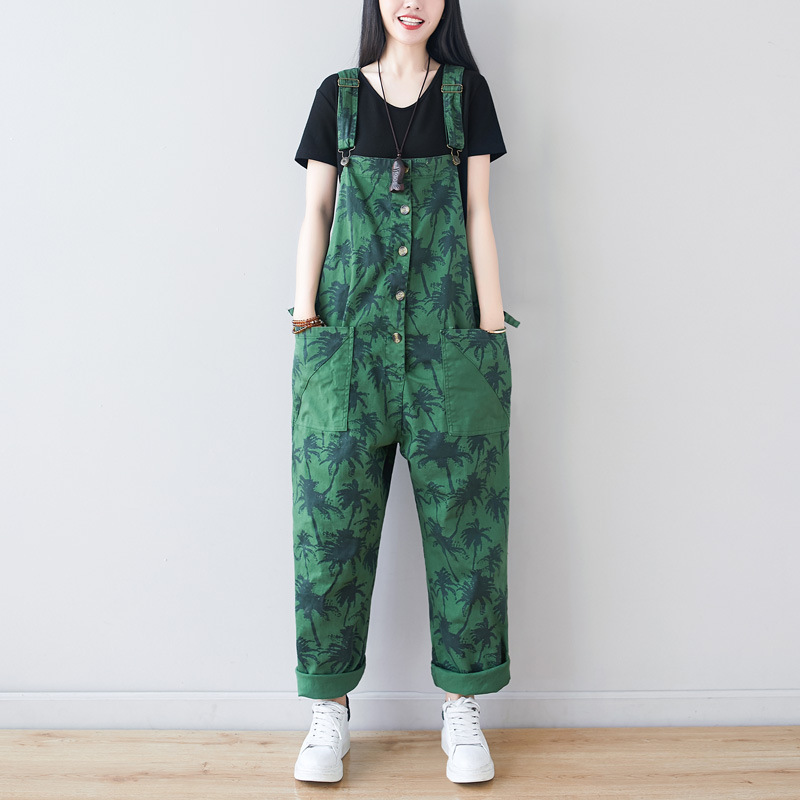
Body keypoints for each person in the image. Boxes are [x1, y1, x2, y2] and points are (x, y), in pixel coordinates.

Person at [288, 0, 521, 784]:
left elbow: (479, 211)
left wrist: (489, 325)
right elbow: (317, 209)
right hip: (346, 351)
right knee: (329, 528)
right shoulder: (337, 97)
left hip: (450, 347)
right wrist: (305, 317)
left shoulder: (465, 95)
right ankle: (329, 711)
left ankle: (462, 709)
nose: (411, 2)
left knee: (467, 530)